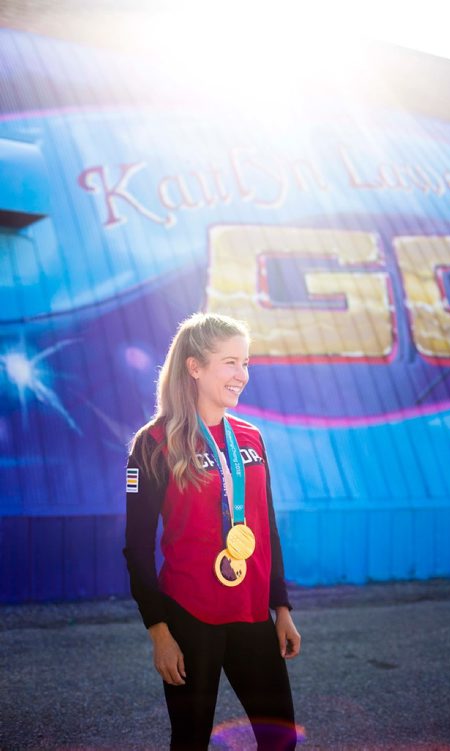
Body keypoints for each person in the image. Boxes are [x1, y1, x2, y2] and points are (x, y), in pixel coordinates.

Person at [123, 312, 301, 751]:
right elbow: (138, 548)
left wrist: (280, 606)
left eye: (245, 363)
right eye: (230, 363)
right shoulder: (154, 443)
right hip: (189, 618)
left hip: (251, 612)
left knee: (281, 742)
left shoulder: (252, 438)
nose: (242, 375)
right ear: (194, 367)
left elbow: (266, 527)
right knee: (190, 742)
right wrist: (159, 633)